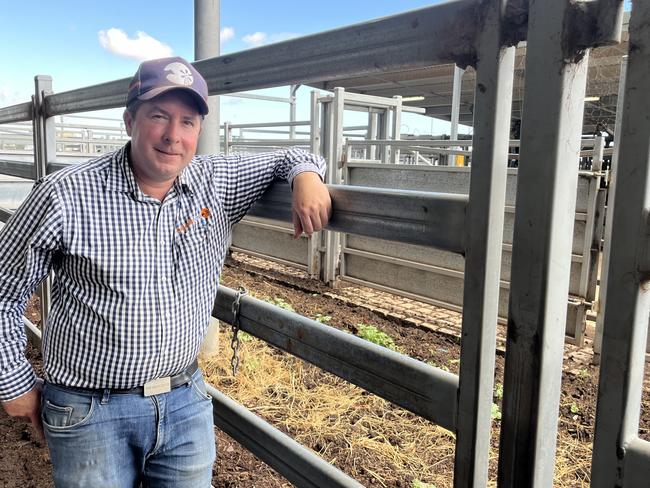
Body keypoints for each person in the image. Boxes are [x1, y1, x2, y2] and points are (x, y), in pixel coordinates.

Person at [0, 56, 331, 487]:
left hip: (183, 401)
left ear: (199, 130)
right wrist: (13, 383)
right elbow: (3, 291)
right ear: (129, 120)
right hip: (90, 409)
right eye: (159, 116)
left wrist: (307, 175)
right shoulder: (66, 196)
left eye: (188, 121)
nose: (174, 136)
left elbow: (293, 155)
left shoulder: (215, 182)